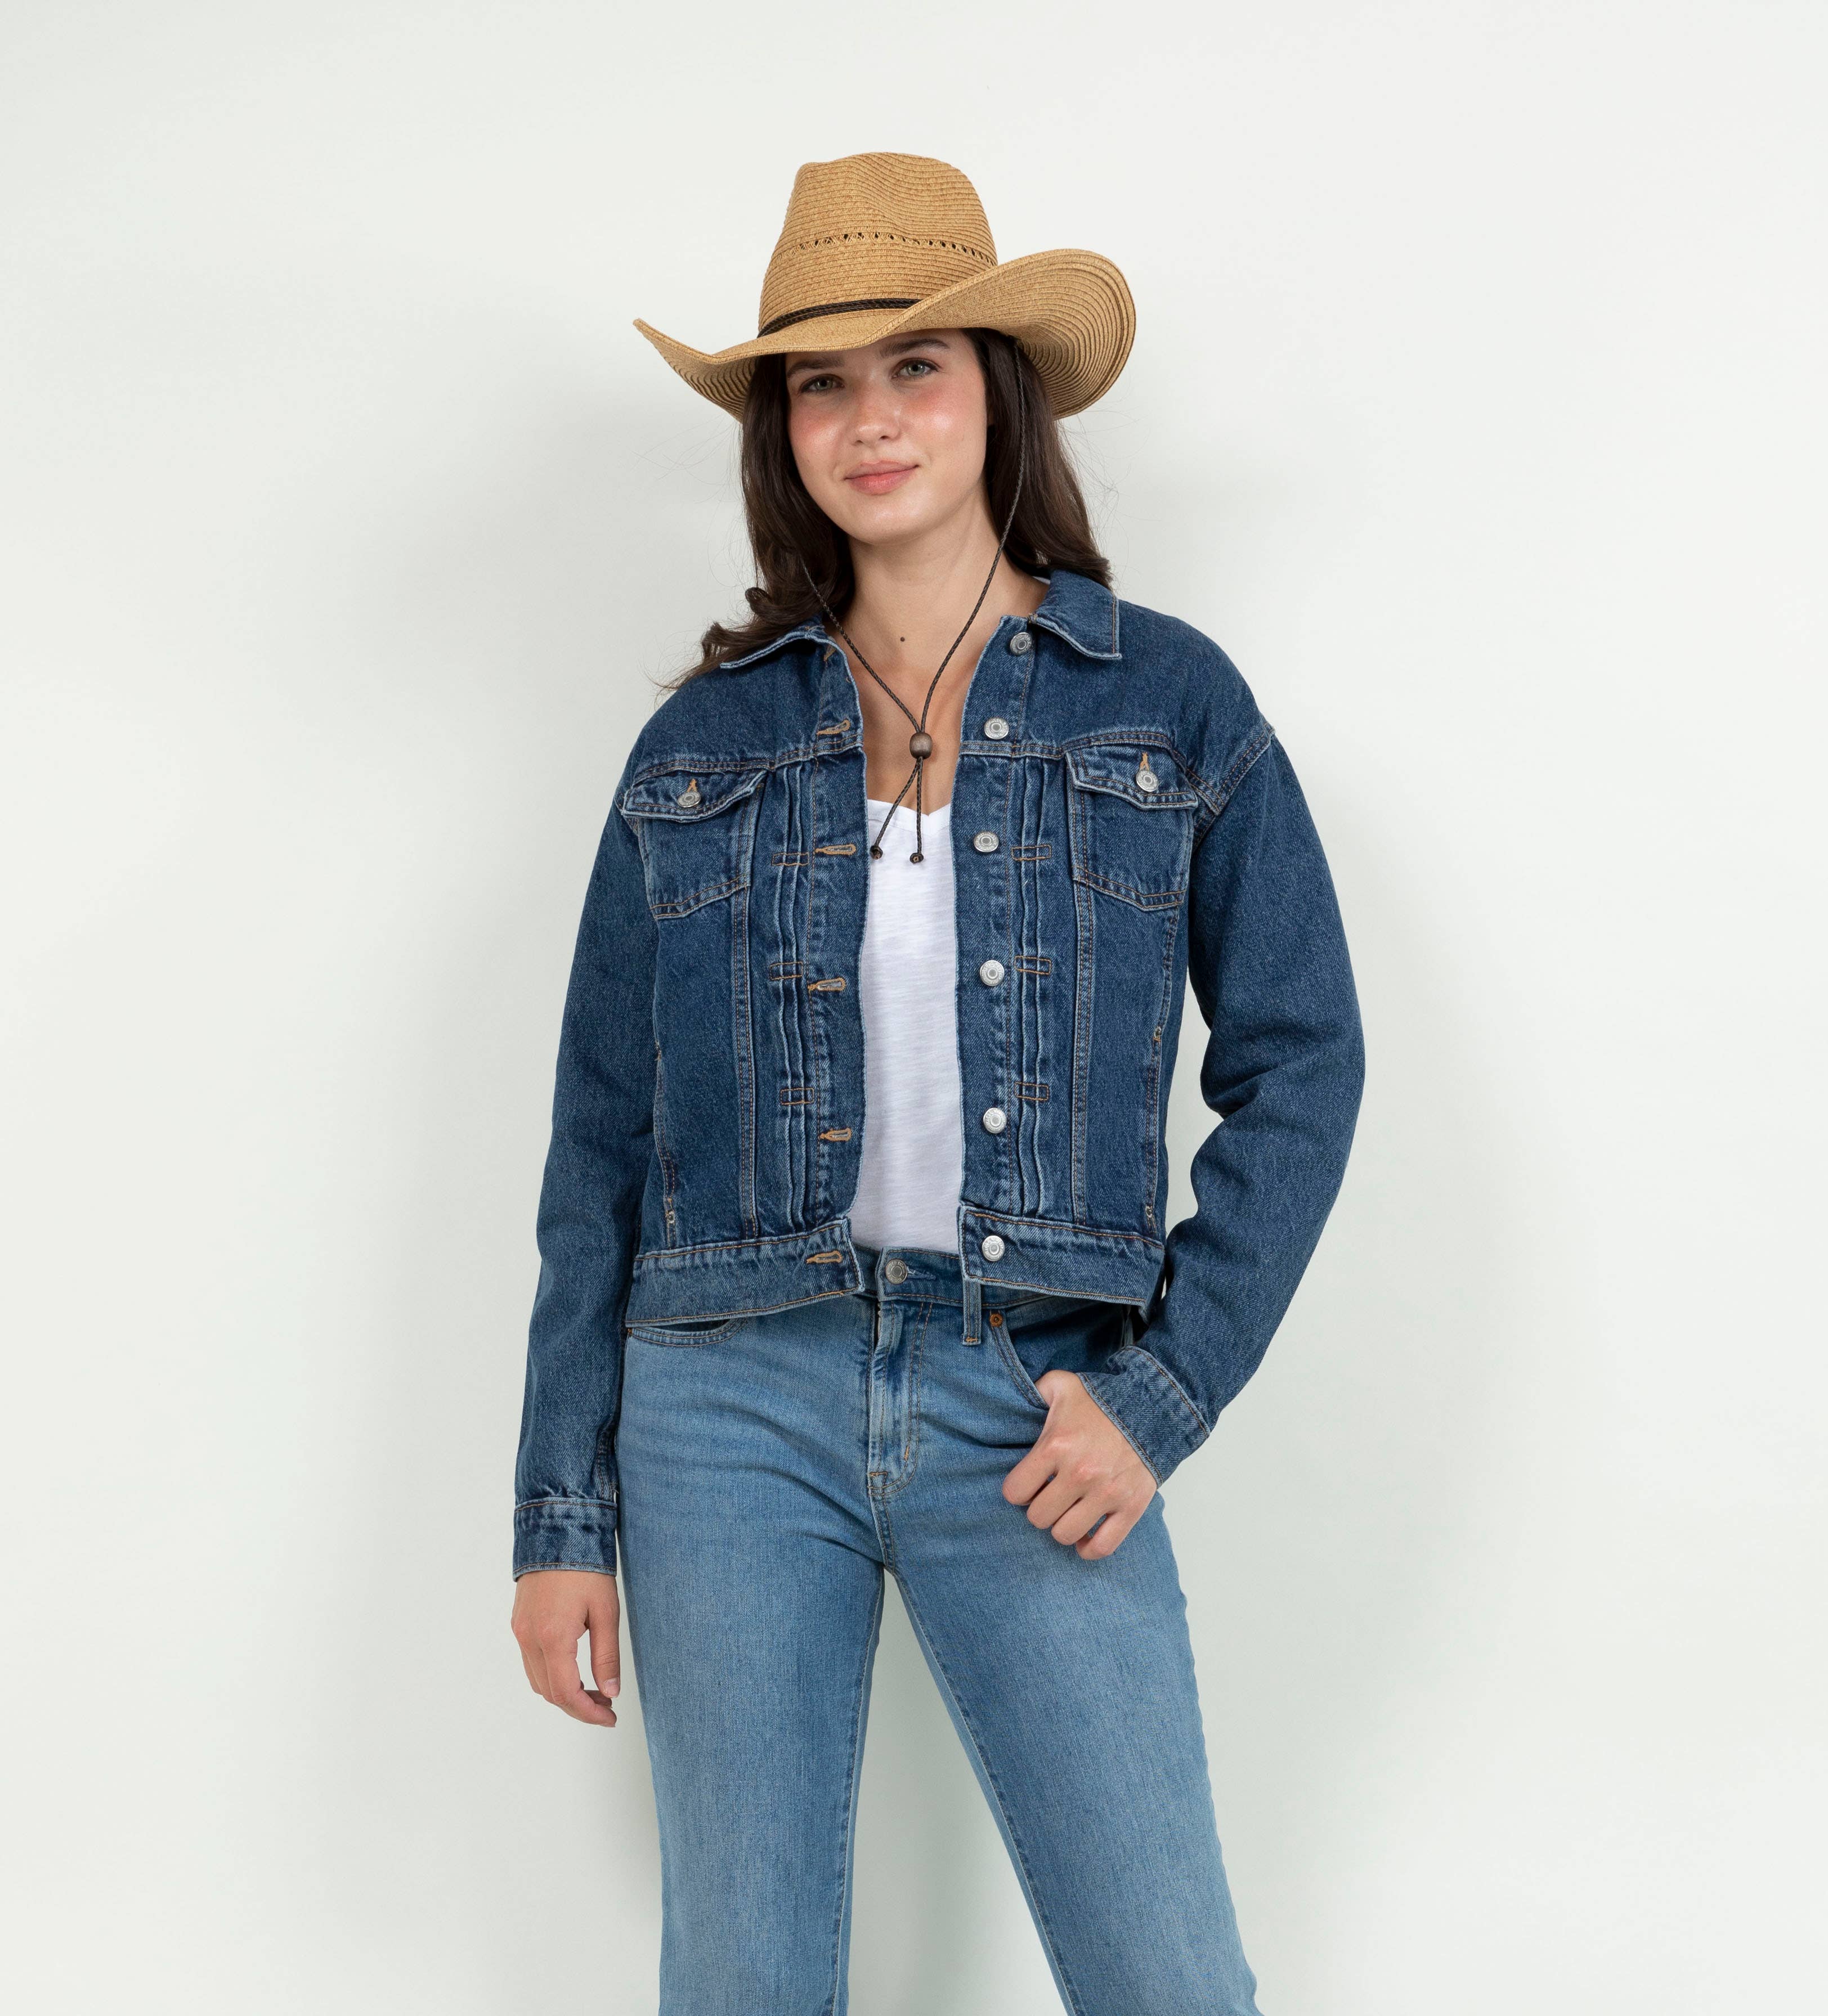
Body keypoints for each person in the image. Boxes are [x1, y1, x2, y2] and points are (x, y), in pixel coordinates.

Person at [509, 152, 1364, 2015]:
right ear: (783, 432)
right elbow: (602, 1139)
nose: (871, 420)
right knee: (743, 1979)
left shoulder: (1169, 705)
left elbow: (1304, 1060)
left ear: (1000, 394)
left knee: (1167, 1974)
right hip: (726, 1407)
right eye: (822, 383)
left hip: (1029, 1396)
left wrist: (1161, 1393)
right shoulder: (703, 746)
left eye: (916, 367)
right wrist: (561, 1519)